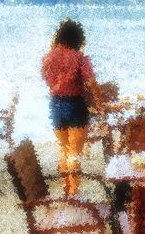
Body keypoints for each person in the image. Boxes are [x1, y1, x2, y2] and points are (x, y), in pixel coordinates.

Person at [42, 19, 104, 196]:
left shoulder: (47, 57)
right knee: (74, 153)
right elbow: (91, 83)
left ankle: (66, 187)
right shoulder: (79, 58)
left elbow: (46, 80)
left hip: (55, 105)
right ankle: (75, 192)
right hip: (75, 104)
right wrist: (99, 104)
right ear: (77, 38)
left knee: (64, 149)